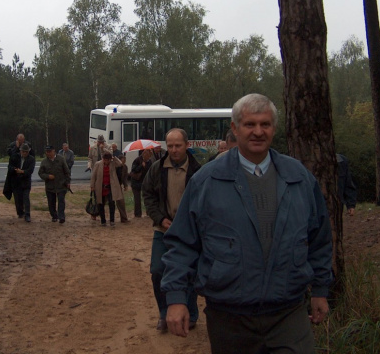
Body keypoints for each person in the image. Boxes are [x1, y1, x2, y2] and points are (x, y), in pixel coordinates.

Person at [161, 94, 333, 353]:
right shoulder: (207, 182)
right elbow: (182, 244)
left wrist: (320, 288)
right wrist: (176, 299)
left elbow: (319, 238)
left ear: (274, 129)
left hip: (288, 313)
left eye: (265, 124)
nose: (258, 132)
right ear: (235, 128)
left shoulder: (299, 179)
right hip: (229, 317)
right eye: (249, 124)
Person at [142, 128, 201, 332]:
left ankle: (191, 314)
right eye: (170, 146)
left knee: (190, 274)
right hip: (162, 230)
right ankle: (164, 313)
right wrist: (159, 218)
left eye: (178, 145)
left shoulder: (198, 170)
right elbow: (147, 194)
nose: (174, 150)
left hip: (189, 232)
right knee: (158, 271)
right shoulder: (157, 168)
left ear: (187, 145)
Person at [38, 145, 71, 223]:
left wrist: (68, 182)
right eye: (47, 152)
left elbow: (67, 172)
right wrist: (47, 176)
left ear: (54, 151)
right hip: (50, 186)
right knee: (51, 202)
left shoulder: (61, 159)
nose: (48, 153)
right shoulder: (44, 162)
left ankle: (61, 217)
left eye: (50, 152)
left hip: (61, 184)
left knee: (61, 201)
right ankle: (54, 215)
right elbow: (40, 173)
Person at [90, 151, 124, 226]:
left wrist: (114, 158)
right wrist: (92, 186)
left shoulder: (112, 164)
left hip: (110, 187)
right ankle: (103, 221)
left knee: (112, 203)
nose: (106, 161)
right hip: (100, 187)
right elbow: (93, 176)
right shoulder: (98, 164)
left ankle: (112, 220)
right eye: (105, 160)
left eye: (108, 160)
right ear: (103, 159)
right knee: (100, 204)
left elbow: (120, 164)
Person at [8, 143, 36, 222]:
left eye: (26, 152)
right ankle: (20, 213)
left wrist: (22, 172)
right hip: (16, 182)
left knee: (26, 198)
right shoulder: (15, 157)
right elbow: (9, 167)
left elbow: (30, 171)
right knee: (18, 199)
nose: (25, 153)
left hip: (26, 182)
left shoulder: (31, 159)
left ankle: (27, 215)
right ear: (20, 151)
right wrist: (15, 170)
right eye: (23, 151)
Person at [130, 148, 153, 218]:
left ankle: (148, 212)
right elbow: (133, 170)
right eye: (147, 155)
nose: (148, 157)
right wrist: (141, 166)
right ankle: (137, 214)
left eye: (149, 156)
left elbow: (150, 170)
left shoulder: (149, 162)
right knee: (137, 199)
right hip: (136, 182)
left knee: (147, 197)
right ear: (144, 154)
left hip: (144, 182)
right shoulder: (137, 160)